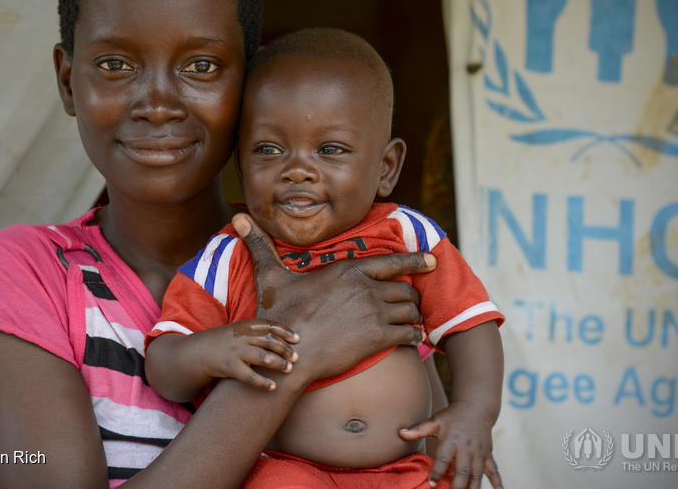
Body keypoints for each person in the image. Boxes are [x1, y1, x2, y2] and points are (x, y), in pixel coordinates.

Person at [0, 0, 439, 488]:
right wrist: (297, 354)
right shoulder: (27, 274)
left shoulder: (348, 260)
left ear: (250, 86)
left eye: (202, 66)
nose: (157, 103)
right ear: (68, 80)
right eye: (115, 64)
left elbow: (429, 465)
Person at [145, 28, 506, 489]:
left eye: (330, 149)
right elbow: (164, 366)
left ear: (386, 168)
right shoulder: (229, 254)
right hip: (286, 471)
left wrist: (474, 410)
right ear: (241, 168)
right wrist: (211, 350)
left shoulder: (405, 235)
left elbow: (468, 323)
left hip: (405, 468)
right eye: (269, 150)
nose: (297, 169)